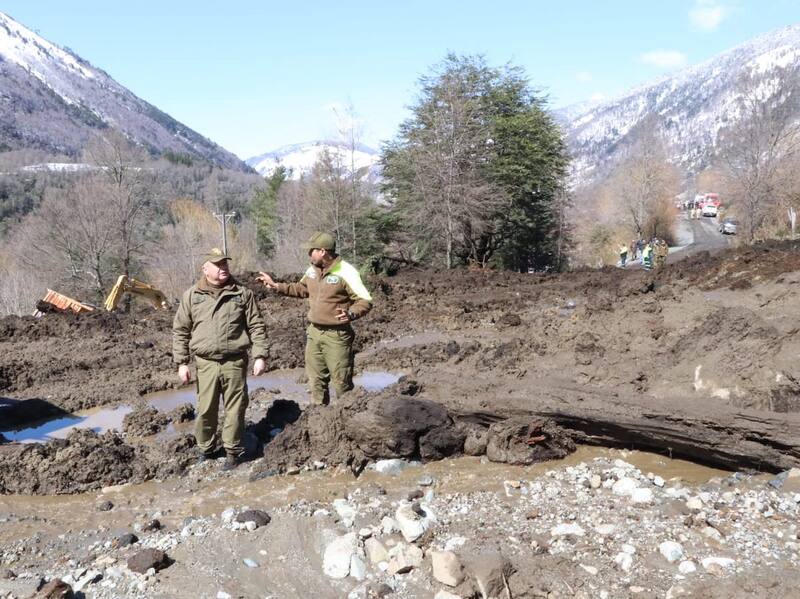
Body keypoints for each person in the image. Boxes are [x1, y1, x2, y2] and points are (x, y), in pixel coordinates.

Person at [172, 248, 267, 470]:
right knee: (206, 408)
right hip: (205, 363)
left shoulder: (242, 293)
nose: (224, 268)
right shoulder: (192, 296)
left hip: (235, 361)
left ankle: (233, 451)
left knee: (235, 408)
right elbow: (180, 330)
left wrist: (260, 355)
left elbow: (256, 325)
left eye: (225, 264)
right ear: (205, 269)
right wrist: (182, 362)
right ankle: (206, 449)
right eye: (218, 265)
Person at [258, 232, 372, 405]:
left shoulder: (346, 271)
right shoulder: (312, 271)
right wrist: (276, 286)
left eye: (312, 250)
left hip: (337, 335)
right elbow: (301, 288)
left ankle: (347, 417)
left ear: (323, 251)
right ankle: (318, 417)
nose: (308, 254)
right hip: (314, 333)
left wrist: (351, 313)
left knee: (341, 382)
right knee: (316, 380)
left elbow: (365, 300)